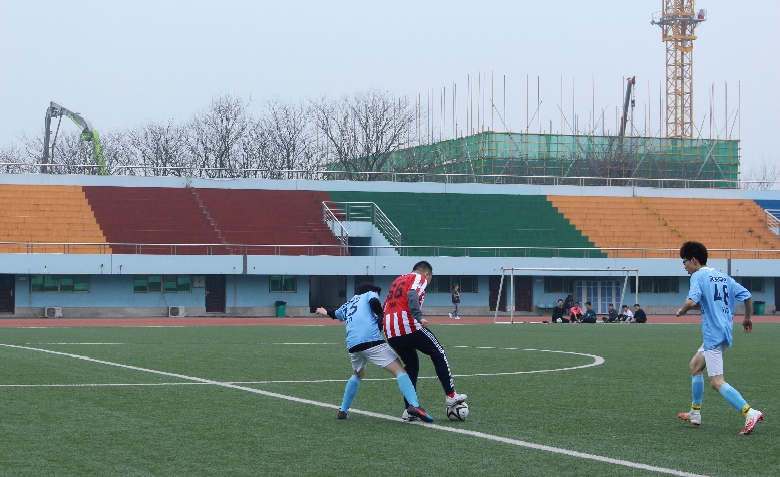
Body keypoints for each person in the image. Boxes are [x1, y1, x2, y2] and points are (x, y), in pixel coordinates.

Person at [675, 241, 763, 435]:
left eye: (685, 262)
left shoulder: (698, 276)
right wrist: (747, 318)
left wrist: (681, 311)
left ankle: (750, 412)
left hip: (713, 335)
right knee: (695, 366)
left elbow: (691, 302)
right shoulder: (723, 277)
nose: (685, 266)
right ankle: (695, 413)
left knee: (716, 382)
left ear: (694, 260)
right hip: (724, 331)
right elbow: (747, 295)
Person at [315, 282, 434, 423]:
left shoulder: (349, 303)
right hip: (370, 340)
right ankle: (414, 405)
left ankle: (343, 410)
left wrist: (324, 311)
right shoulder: (370, 294)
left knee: (358, 374)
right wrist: (381, 313)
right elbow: (373, 302)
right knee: (400, 371)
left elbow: (335, 314)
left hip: (352, 344)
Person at [383, 261, 466, 420]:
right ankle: (451, 395)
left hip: (390, 330)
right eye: (429, 279)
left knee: (412, 364)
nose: (427, 283)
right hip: (407, 325)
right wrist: (418, 316)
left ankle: (409, 408)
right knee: (438, 352)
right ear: (426, 274)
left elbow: (385, 306)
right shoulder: (418, 278)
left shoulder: (397, 280)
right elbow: (412, 294)